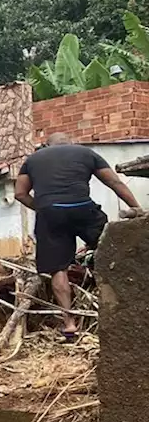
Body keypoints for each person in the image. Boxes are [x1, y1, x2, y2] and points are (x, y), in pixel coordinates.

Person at [16, 132, 142, 336]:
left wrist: (43, 208)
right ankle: (126, 303)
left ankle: (69, 323)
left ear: (46, 146)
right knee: (111, 249)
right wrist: (137, 208)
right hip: (83, 209)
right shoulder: (87, 153)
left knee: (59, 269)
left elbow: (20, 194)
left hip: (50, 215)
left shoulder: (32, 160)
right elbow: (115, 183)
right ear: (71, 142)